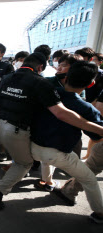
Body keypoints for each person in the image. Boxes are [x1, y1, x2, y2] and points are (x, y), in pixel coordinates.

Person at [0, 53, 103, 211]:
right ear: (40, 67)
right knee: (24, 163)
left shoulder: (7, 77)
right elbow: (61, 112)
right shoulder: (41, 83)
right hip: (16, 129)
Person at [30, 61, 103, 223]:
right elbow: (96, 136)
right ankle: (100, 213)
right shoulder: (86, 108)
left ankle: (46, 181)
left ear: (66, 77)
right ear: (91, 83)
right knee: (89, 179)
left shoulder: (49, 92)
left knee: (46, 160)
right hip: (59, 153)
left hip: (31, 147)